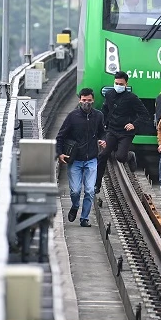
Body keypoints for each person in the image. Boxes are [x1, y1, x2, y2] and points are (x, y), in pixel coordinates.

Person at [56, 88, 106, 227]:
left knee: (90, 190)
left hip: (91, 159)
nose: (86, 103)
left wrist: (103, 140)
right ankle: (75, 205)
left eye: (89, 100)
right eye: (84, 100)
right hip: (75, 160)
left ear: (93, 100)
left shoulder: (98, 116)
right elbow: (60, 136)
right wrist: (59, 153)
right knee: (75, 190)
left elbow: (102, 132)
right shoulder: (72, 117)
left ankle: (84, 218)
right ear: (79, 100)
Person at [95, 71, 150, 194]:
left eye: (121, 83)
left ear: (126, 84)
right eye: (116, 83)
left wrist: (133, 124)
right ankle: (96, 185)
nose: (118, 85)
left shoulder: (132, 98)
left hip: (125, 132)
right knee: (103, 155)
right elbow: (105, 110)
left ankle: (130, 156)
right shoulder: (109, 94)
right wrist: (102, 125)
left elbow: (144, 115)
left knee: (120, 157)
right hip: (112, 130)